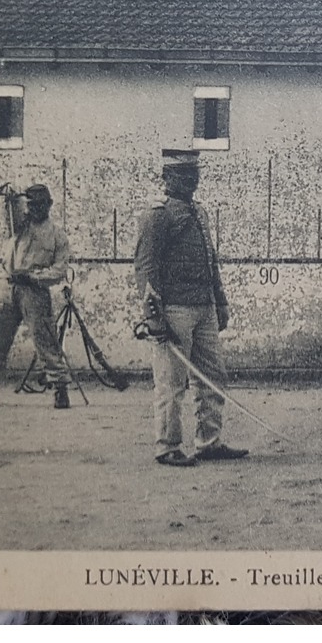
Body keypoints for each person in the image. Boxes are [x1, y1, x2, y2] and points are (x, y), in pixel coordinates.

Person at [134, 148, 247, 467]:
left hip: (204, 308)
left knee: (213, 376)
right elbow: (145, 268)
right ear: (166, 178)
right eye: (183, 176)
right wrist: (153, 316)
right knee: (172, 382)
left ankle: (208, 442)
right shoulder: (156, 215)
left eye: (194, 175)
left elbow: (211, 262)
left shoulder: (200, 212)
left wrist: (220, 302)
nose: (191, 182)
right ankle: (167, 446)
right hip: (173, 311)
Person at [0, 184, 75, 409]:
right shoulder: (18, 226)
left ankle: (60, 390)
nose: (34, 209)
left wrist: (35, 277)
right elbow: (8, 214)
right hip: (8, 289)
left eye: (39, 204)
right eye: (31, 205)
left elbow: (59, 270)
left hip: (35, 292)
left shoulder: (57, 235)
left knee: (46, 339)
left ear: (49, 205)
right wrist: (10, 198)